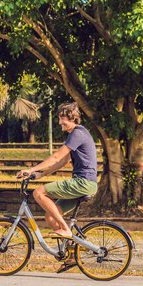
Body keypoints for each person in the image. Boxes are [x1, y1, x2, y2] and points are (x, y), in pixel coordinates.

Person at [17, 102, 98, 240]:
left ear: (72, 118)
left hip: (83, 182)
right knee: (50, 216)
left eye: (63, 119)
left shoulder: (78, 134)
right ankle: (71, 253)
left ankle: (66, 229)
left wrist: (31, 169)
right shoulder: (76, 134)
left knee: (39, 192)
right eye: (59, 118)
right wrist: (41, 174)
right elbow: (63, 161)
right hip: (84, 183)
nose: (60, 122)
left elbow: (56, 157)